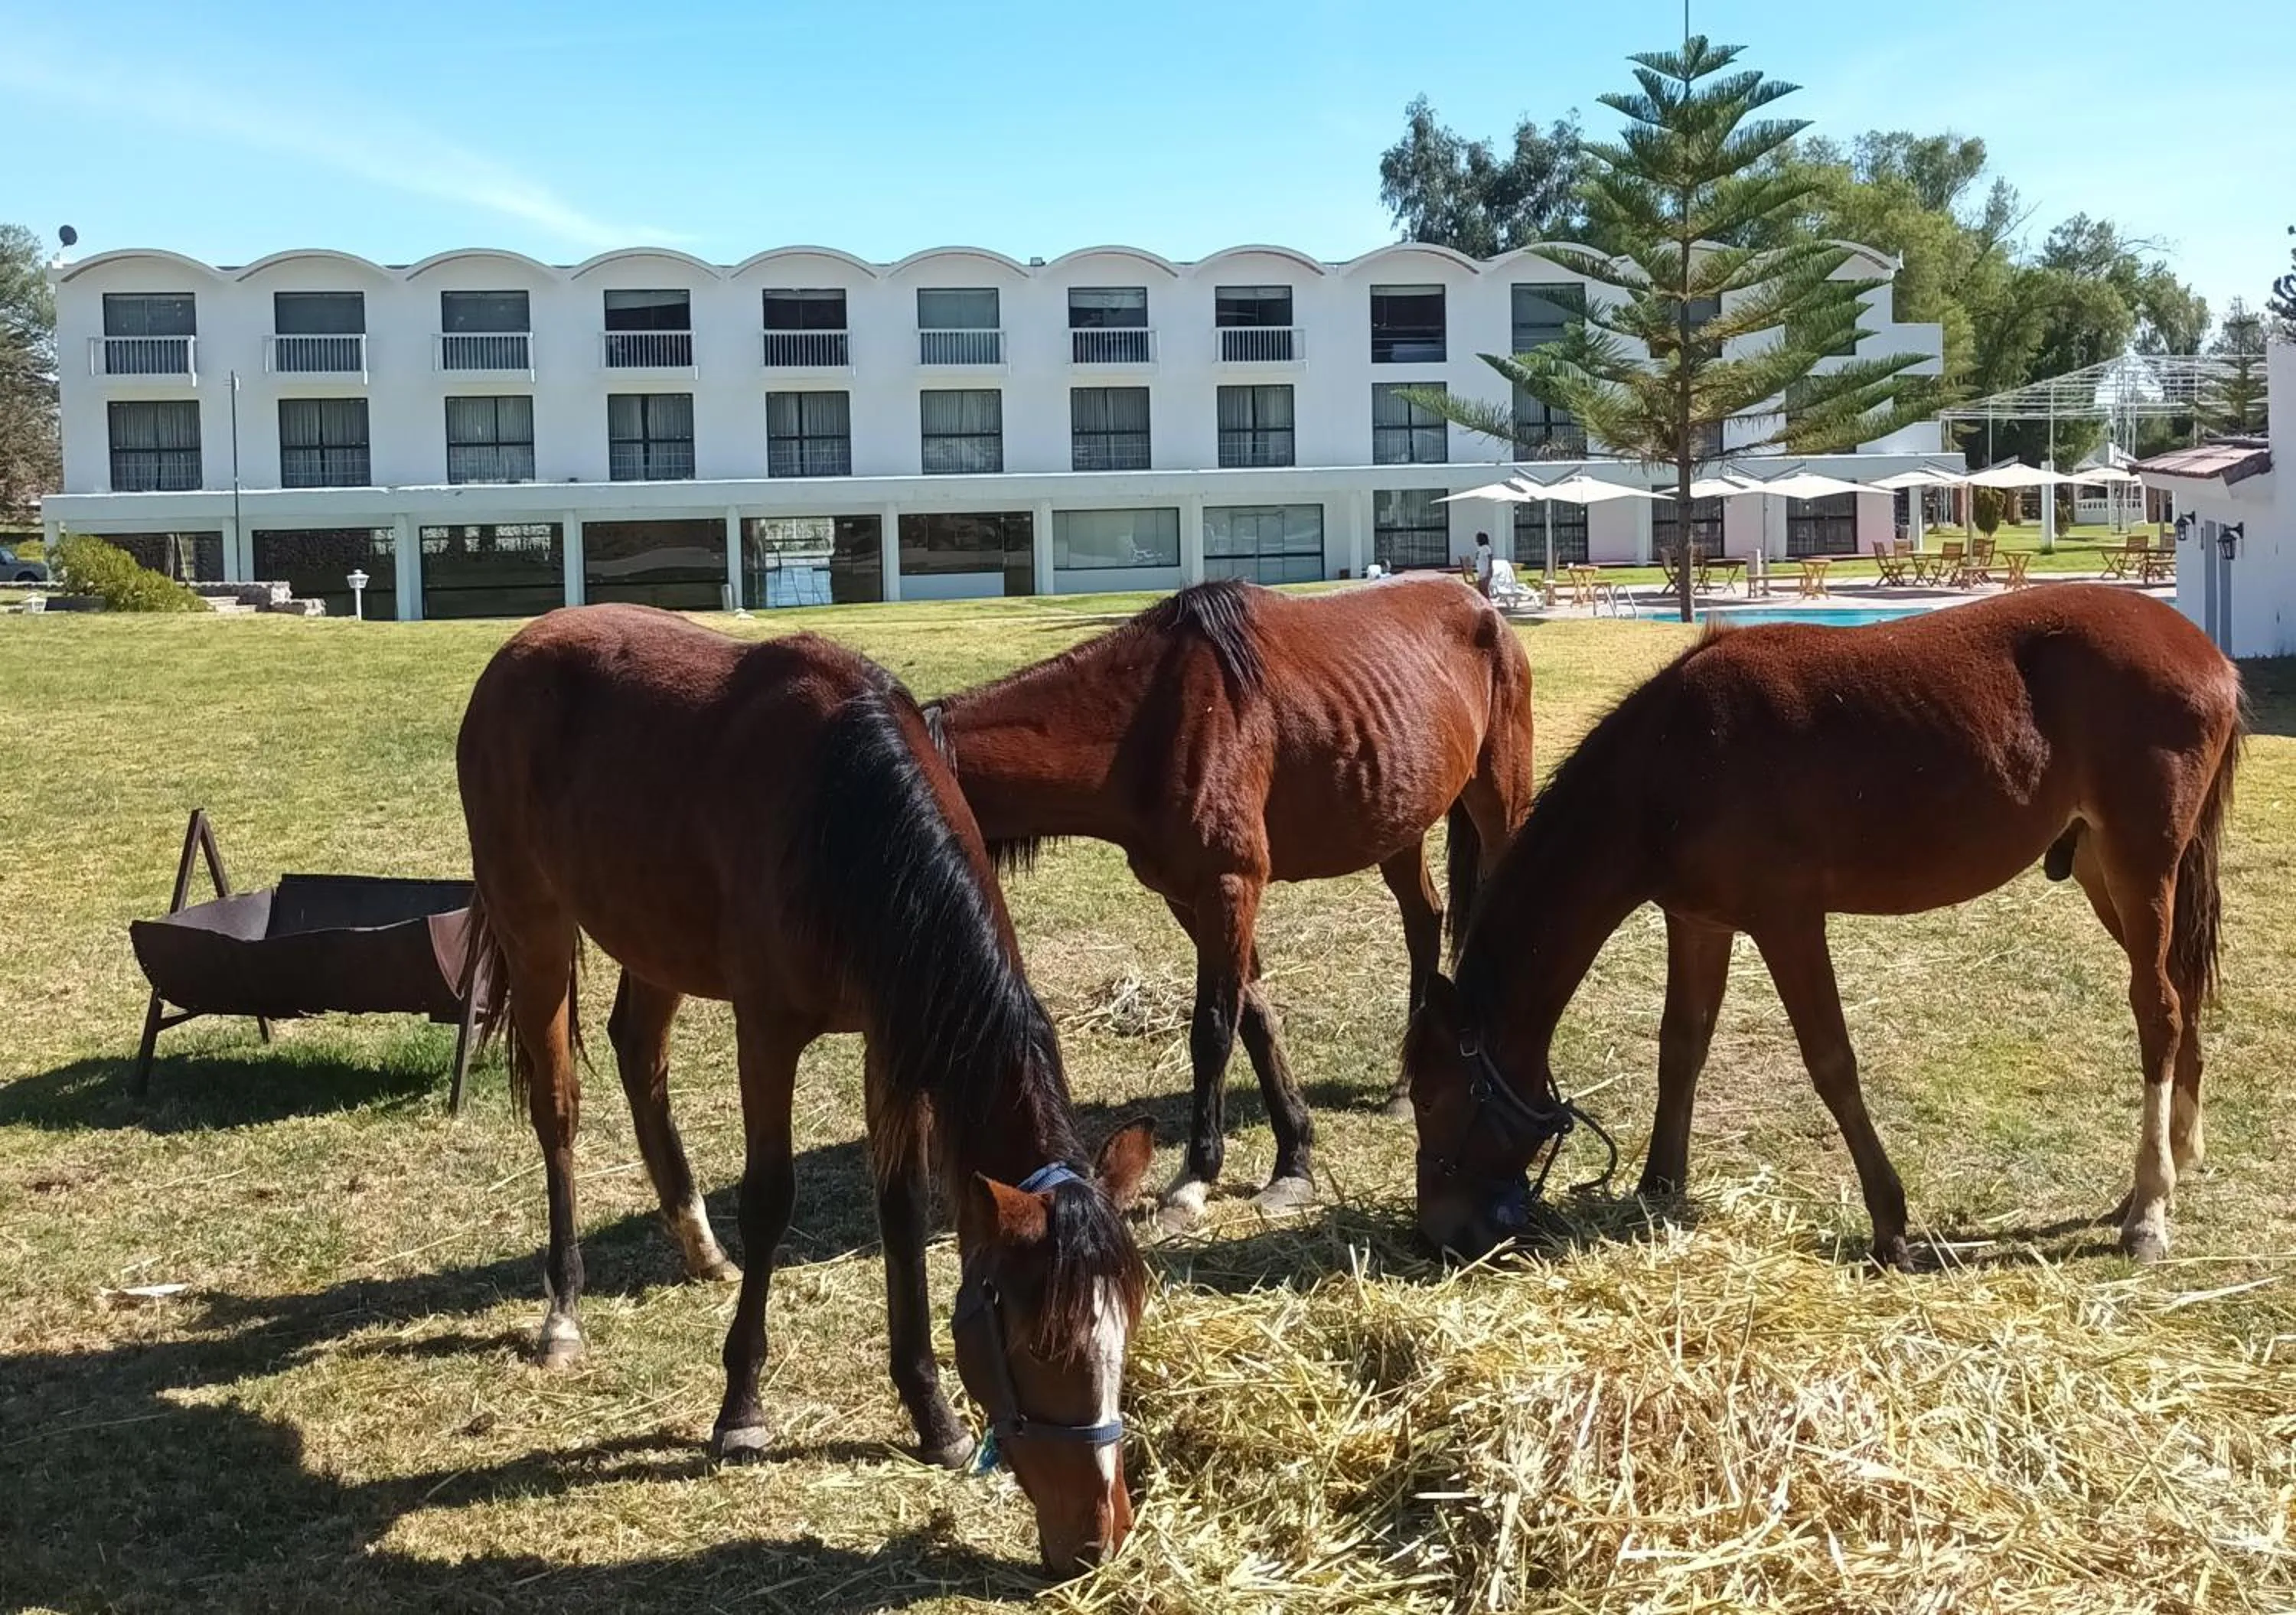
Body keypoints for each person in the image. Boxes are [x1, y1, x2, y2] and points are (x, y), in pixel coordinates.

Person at [1472, 532, 1495, 598]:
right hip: (1481, 571)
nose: (1476, 541)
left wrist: (1490, 570)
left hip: (1486, 571)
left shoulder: (1486, 548)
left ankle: (1488, 603)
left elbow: (1490, 558)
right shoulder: (1480, 548)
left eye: (1478, 539)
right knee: (1480, 589)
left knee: (1484, 589)